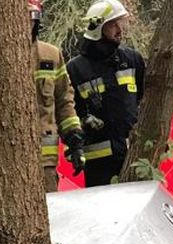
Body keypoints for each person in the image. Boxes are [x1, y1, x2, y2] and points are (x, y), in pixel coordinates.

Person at [66, 0, 146, 186]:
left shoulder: (132, 59)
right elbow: (68, 111)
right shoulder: (75, 69)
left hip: (133, 158)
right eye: (113, 25)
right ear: (97, 28)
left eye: (121, 23)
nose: (120, 30)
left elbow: (145, 101)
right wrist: (84, 120)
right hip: (98, 165)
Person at [31, 0, 85, 192]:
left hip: (45, 162)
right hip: (8, 163)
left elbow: (64, 101)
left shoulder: (50, 55)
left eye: (31, 18)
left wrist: (75, 140)